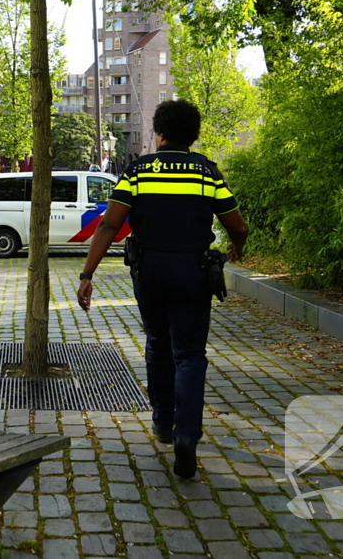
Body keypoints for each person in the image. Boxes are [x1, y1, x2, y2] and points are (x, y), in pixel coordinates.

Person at [75, 99, 249, 479]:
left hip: (149, 271)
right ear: (192, 135)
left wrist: (87, 274)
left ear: (160, 133)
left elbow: (109, 225)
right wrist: (239, 245)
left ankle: (164, 423)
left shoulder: (138, 171)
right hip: (193, 271)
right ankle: (188, 435)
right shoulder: (207, 171)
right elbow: (237, 224)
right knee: (189, 353)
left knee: (157, 342)